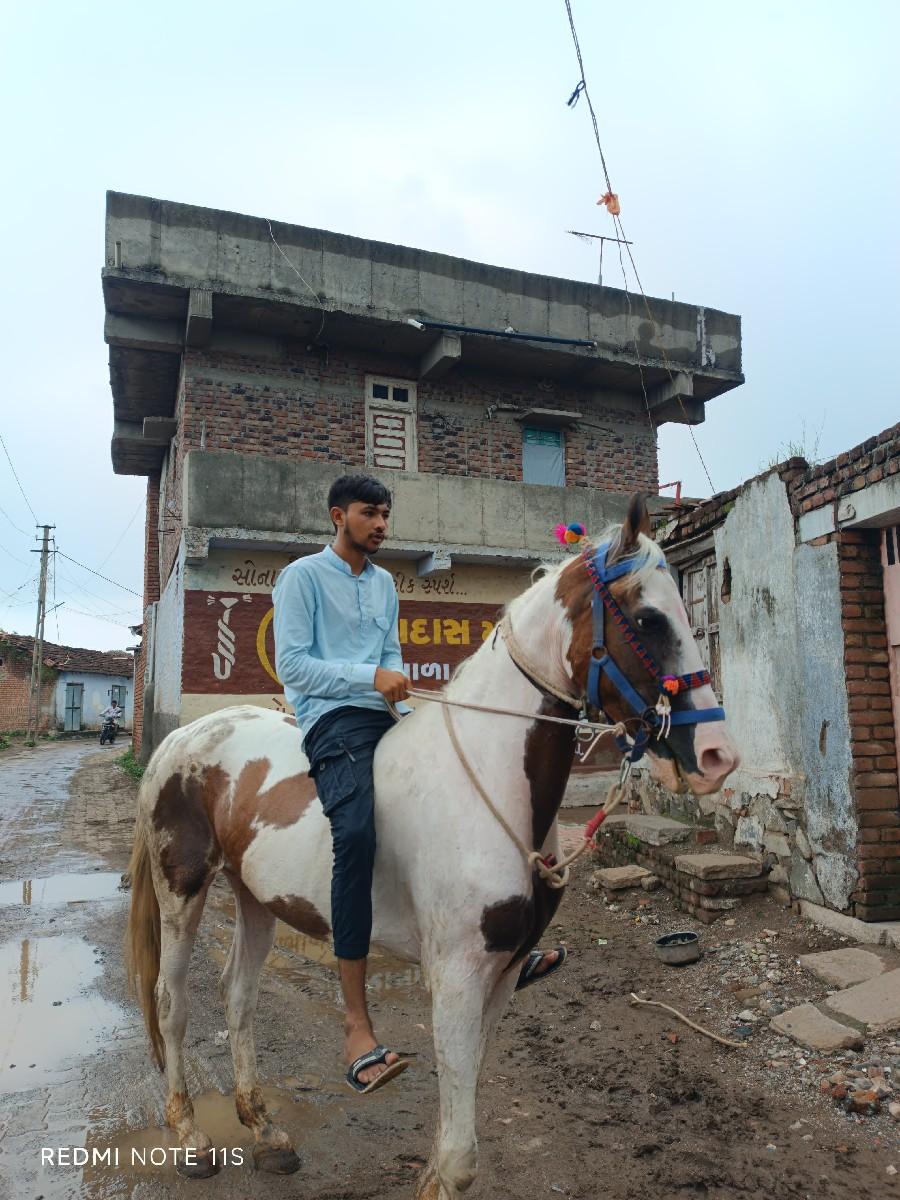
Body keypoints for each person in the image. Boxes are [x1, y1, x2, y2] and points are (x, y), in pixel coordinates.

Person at [273, 473, 565, 1095]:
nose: (381, 525)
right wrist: (368, 678)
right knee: (354, 833)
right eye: (369, 514)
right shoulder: (301, 577)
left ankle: (512, 948)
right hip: (331, 721)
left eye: (385, 515)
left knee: (481, 801)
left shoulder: (383, 585)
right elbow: (294, 664)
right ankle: (356, 1022)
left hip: (387, 715)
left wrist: (400, 695)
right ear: (337, 517)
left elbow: (392, 655)